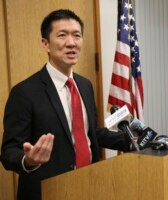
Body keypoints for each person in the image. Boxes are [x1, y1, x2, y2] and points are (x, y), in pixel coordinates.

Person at [0, 9, 131, 200]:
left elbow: (91, 133)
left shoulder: (85, 85)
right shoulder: (24, 92)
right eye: (62, 35)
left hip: (89, 185)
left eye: (77, 35)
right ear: (46, 44)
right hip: (48, 193)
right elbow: (8, 151)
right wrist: (27, 160)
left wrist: (131, 140)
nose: (71, 43)